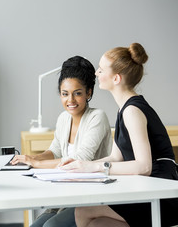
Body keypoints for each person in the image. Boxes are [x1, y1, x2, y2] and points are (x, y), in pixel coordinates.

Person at [61, 43, 178, 227]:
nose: (96, 73)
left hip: (161, 193)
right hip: (148, 188)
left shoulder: (132, 111)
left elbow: (144, 166)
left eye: (101, 69)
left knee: (83, 211)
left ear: (116, 78)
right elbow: (116, 157)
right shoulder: (124, 109)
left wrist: (95, 168)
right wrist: (81, 165)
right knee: (97, 223)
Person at [11, 56, 112, 227]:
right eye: (65, 94)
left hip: (91, 198)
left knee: (51, 226)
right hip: (66, 196)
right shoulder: (64, 118)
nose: (70, 100)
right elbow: (55, 151)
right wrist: (29, 159)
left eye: (77, 93)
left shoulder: (97, 117)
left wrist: (35, 163)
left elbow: (79, 160)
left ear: (89, 93)